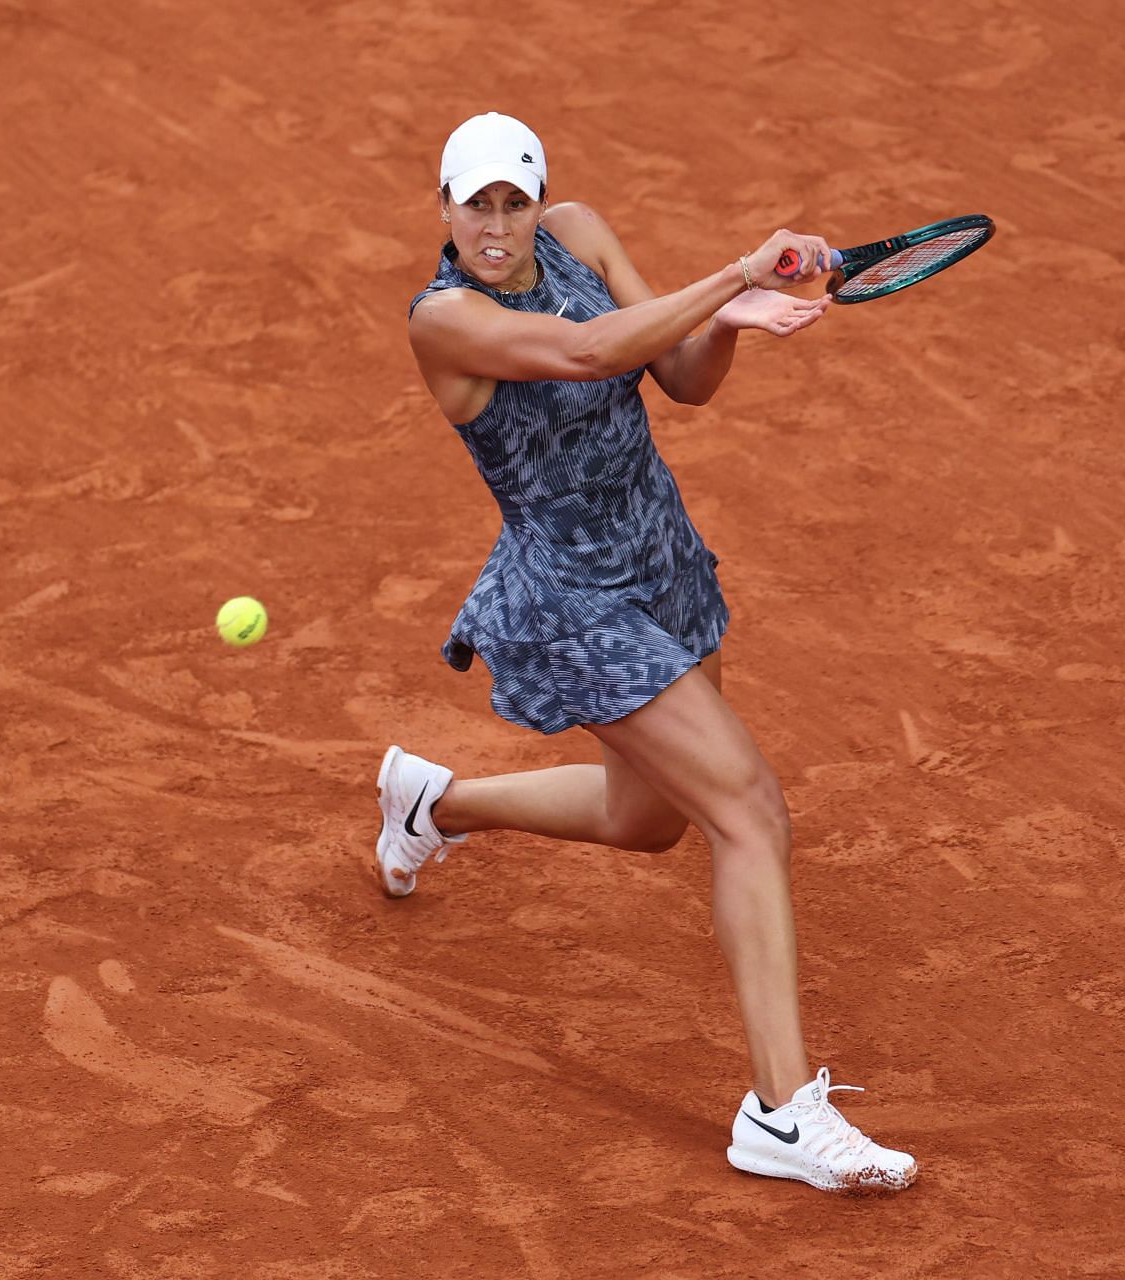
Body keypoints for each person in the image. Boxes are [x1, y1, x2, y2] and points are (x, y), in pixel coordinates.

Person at [376, 111, 916, 1195]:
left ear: (539, 201)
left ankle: (432, 806)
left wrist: (735, 319)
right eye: (473, 204)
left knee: (647, 819)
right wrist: (734, 271)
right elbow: (584, 352)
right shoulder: (446, 319)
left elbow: (679, 373)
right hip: (572, 600)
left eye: (512, 201)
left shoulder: (578, 232)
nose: (496, 224)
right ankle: (780, 1110)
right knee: (750, 809)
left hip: (659, 559)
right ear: (442, 211)